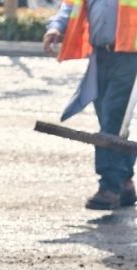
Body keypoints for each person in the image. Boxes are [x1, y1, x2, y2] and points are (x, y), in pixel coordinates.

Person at [44, 0, 137, 210]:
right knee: (107, 117)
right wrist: (56, 27)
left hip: (129, 58)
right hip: (100, 56)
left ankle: (109, 188)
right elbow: (70, 6)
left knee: (113, 117)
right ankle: (124, 182)